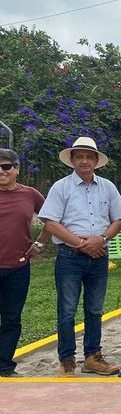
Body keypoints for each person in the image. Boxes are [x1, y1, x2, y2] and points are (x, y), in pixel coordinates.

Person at [39, 137, 121, 377]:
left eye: (89, 157)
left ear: (96, 161)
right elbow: (51, 222)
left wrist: (102, 239)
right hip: (70, 255)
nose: (85, 161)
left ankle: (92, 357)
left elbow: (119, 219)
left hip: (99, 255)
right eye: (79, 156)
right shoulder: (61, 187)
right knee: (67, 310)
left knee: (95, 309)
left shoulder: (108, 187)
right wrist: (80, 244)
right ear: (72, 160)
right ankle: (67, 359)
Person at [0, 149, 47, 377]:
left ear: (17, 169)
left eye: (6, 166)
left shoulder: (30, 195)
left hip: (17, 268)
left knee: (11, 319)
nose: (1, 171)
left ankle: (4, 366)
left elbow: (52, 219)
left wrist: (39, 243)